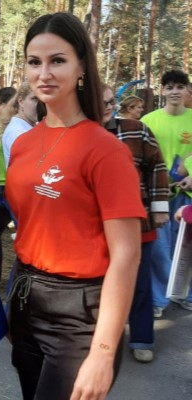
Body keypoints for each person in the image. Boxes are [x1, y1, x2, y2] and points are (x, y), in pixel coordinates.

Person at [5, 13, 145, 400]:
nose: (44, 73)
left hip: (80, 315)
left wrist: (103, 352)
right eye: (34, 62)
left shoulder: (106, 150)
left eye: (57, 60)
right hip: (27, 298)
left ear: (81, 66)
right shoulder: (23, 143)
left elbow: (127, 255)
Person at [102, 85, 170, 363]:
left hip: (137, 221)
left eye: (110, 101)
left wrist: (159, 208)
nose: (107, 107)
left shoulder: (136, 129)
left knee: (139, 284)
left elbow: (157, 167)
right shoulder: (79, 132)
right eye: (100, 102)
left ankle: (141, 338)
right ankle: (103, 341)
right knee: (98, 287)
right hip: (95, 227)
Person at [140, 70, 192, 315]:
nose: (174, 92)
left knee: (186, 248)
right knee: (159, 249)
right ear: (163, 90)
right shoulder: (149, 120)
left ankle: (185, 294)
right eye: (169, 87)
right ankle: (158, 299)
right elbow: (140, 156)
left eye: (179, 87)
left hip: (186, 194)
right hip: (158, 194)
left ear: (187, 90)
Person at [0, 87, 16, 283]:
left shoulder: (14, 130)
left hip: (7, 190)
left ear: (7, 105)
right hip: (0, 189)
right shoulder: (7, 128)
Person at [0, 82, 39, 168]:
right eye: (35, 99)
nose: (40, 105)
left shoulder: (32, 125)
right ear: (21, 101)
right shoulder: (16, 132)